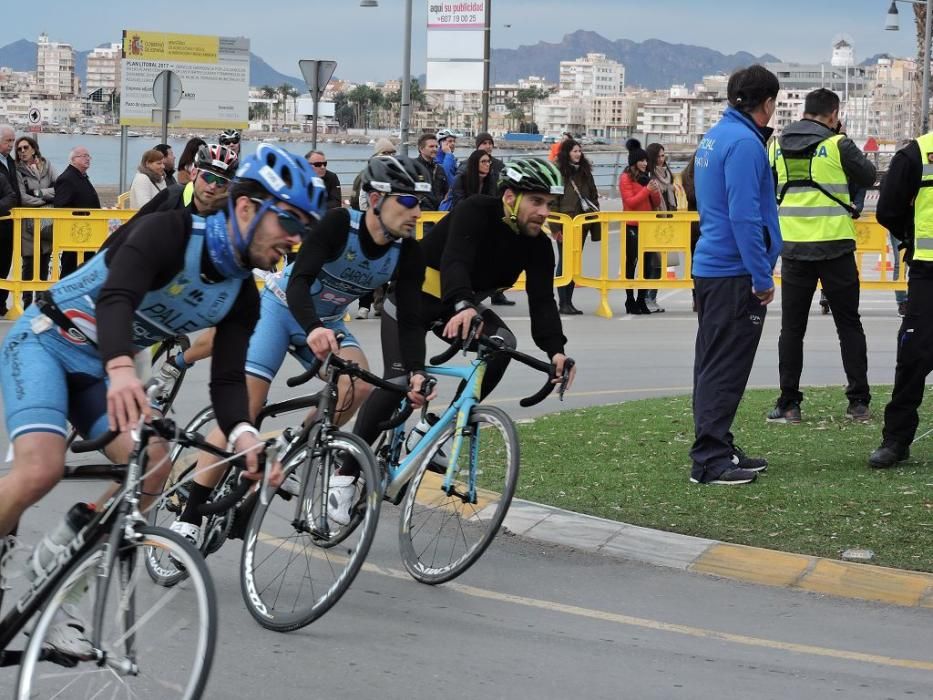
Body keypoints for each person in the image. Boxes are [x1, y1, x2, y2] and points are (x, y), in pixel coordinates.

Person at [0, 143, 317, 653]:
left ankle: (60, 578)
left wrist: (245, 436)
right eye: (289, 221)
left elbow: (230, 382)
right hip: (47, 340)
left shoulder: (243, 293)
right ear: (245, 207)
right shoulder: (171, 230)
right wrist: (124, 368)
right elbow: (117, 295)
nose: (296, 237)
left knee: (152, 463)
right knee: (39, 470)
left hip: (102, 366)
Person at [172, 155, 430, 535]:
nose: (418, 213)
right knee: (245, 409)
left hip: (325, 323)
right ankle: (189, 517)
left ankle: (295, 446)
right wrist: (311, 326)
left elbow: (409, 318)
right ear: (375, 199)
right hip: (281, 309)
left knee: (359, 383)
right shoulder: (340, 224)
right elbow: (298, 281)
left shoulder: (407, 251)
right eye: (408, 201)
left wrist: (417, 371)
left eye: (421, 203)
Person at [352, 156, 576, 456]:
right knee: (399, 381)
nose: (544, 212)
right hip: (413, 302)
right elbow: (455, 259)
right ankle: (345, 474)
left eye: (549, 203)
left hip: (458, 307)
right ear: (510, 197)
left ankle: (436, 429)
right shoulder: (476, 210)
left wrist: (556, 350)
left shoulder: (538, 245)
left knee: (502, 344)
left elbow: (542, 301)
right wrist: (463, 303)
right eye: (536, 201)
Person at [689, 64, 782, 486]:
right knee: (725, 366)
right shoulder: (745, 143)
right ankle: (710, 458)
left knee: (712, 362)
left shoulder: (716, 135)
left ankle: (717, 444)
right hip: (733, 271)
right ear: (766, 103)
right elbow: (745, 215)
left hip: (712, 266)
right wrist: (761, 276)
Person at [766, 88, 876, 425]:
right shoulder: (837, 145)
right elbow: (869, 177)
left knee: (792, 329)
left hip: (795, 249)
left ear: (804, 111)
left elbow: (768, 190)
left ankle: (789, 404)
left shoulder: (776, 146)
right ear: (833, 114)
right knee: (848, 324)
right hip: (836, 247)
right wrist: (840, 138)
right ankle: (858, 403)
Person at [867, 130, 933, 468]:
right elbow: (888, 210)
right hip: (928, 273)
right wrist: (910, 235)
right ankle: (896, 439)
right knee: (913, 356)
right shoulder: (916, 156)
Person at [352, 139, 399, 320]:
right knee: (367, 267)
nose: (390, 157)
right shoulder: (366, 175)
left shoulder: (396, 175)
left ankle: (381, 304)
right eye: (386, 153)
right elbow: (360, 202)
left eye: (392, 153)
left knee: (386, 268)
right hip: (369, 226)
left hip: (389, 228)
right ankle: (364, 305)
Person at [553, 137, 599, 315]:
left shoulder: (585, 171)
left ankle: (569, 301)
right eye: (574, 151)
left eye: (579, 151)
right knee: (565, 261)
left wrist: (593, 216)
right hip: (565, 222)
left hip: (582, 224)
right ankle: (562, 302)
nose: (578, 154)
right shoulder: (559, 172)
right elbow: (553, 202)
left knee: (574, 262)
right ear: (567, 153)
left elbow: (593, 195)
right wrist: (556, 228)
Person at [619, 139, 661, 314]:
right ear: (634, 162)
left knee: (647, 264)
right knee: (632, 262)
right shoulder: (625, 178)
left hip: (648, 225)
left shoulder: (648, 178)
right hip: (632, 225)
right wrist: (646, 190)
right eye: (642, 160)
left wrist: (655, 190)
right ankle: (630, 299)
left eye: (646, 160)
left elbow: (656, 203)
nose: (645, 163)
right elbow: (630, 202)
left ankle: (641, 299)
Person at [14, 135, 56, 307]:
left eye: (26, 147)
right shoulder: (18, 170)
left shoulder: (47, 165)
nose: (22, 151)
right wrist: (46, 201)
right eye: (19, 149)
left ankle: (41, 300)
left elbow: (58, 187)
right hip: (28, 224)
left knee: (45, 259)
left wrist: (39, 194)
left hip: (47, 221)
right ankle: (26, 301)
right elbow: (22, 197)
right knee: (29, 262)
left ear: (33, 148)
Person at [53, 145, 100, 277]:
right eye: (83, 156)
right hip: (75, 233)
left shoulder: (81, 176)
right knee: (70, 269)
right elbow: (61, 207)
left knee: (85, 268)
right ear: (73, 159)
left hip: (86, 231)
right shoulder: (67, 178)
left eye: (88, 156)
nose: (87, 158)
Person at [644, 142, 679, 312]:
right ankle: (646, 298)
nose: (661, 159)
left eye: (663, 155)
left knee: (661, 262)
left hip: (667, 221)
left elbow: (672, 196)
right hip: (654, 222)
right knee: (652, 262)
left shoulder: (667, 174)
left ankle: (653, 297)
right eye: (658, 156)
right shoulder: (649, 175)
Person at [0, 124, 21, 315]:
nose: (11, 145)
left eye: (13, 141)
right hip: (2, 217)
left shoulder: (11, 162)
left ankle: (1, 303)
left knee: (6, 262)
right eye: (8, 141)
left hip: (10, 221)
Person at [413, 133, 448, 212]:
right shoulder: (413, 167)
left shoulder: (439, 169)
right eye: (431, 146)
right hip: (420, 215)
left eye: (436, 146)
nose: (435, 149)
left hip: (438, 214)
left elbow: (446, 191)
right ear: (421, 149)